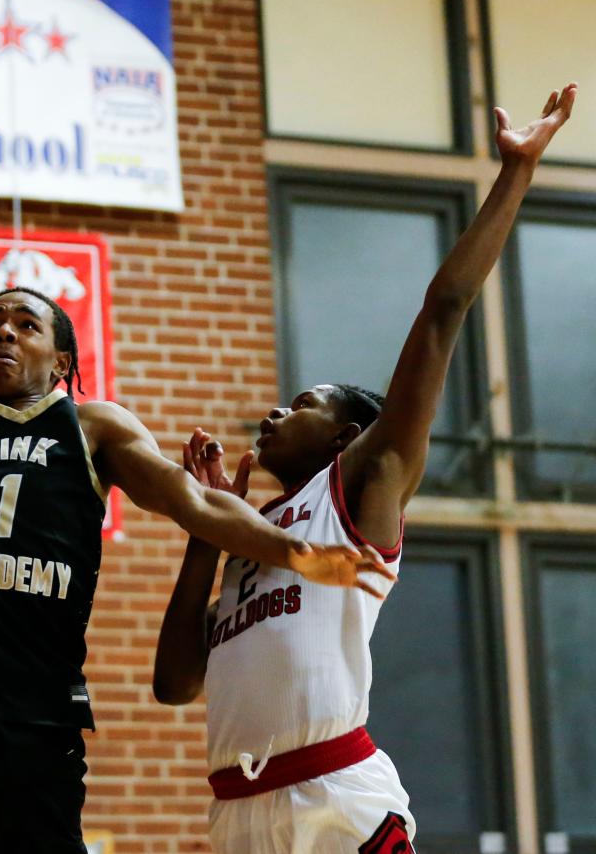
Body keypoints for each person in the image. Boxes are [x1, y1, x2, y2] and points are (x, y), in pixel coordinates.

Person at [0, 121, 393, 854]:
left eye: (26, 324)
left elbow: (191, 503)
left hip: (41, 725)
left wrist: (296, 552)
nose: (3, 331)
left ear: (62, 359)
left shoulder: (94, 430)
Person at [152, 84, 578, 854]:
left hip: (333, 798)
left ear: (349, 435)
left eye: (301, 402)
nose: (276, 413)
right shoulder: (258, 534)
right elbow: (176, 684)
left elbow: (443, 311)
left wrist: (514, 172)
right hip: (237, 810)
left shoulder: (362, 484)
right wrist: (205, 530)